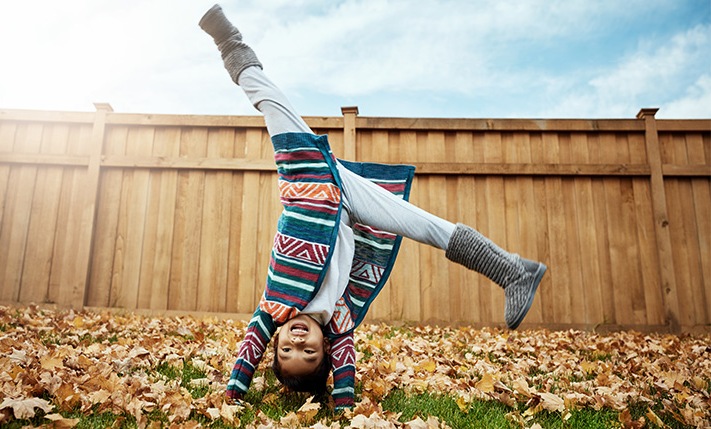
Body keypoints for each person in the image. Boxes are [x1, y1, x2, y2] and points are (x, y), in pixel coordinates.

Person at [198, 4, 546, 410]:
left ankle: (229, 42)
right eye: (309, 353)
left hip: (308, 188)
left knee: (271, 102)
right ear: (325, 348)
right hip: (347, 202)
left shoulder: (271, 307)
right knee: (426, 227)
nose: (297, 343)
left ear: (271, 342)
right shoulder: (340, 321)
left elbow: (245, 356)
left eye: (285, 351)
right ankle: (515, 271)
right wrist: (345, 406)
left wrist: (232, 396)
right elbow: (345, 367)